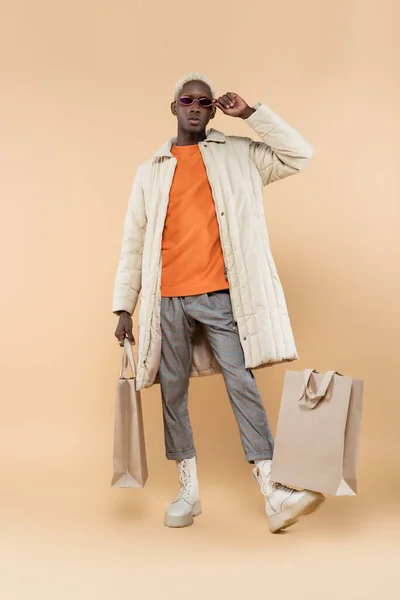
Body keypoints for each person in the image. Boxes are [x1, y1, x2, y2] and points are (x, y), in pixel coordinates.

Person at [112, 72, 324, 533]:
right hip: (167, 300)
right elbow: (135, 239)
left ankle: (273, 493)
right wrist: (125, 306)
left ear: (212, 110)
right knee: (173, 394)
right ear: (174, 109)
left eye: (203, 102)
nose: (195, 106)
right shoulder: (151, 169)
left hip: (222, 297)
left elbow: (299, 154)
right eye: (186, 100)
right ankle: (188, 491)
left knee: (242, 385)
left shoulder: (239, 156)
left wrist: (251, 115)